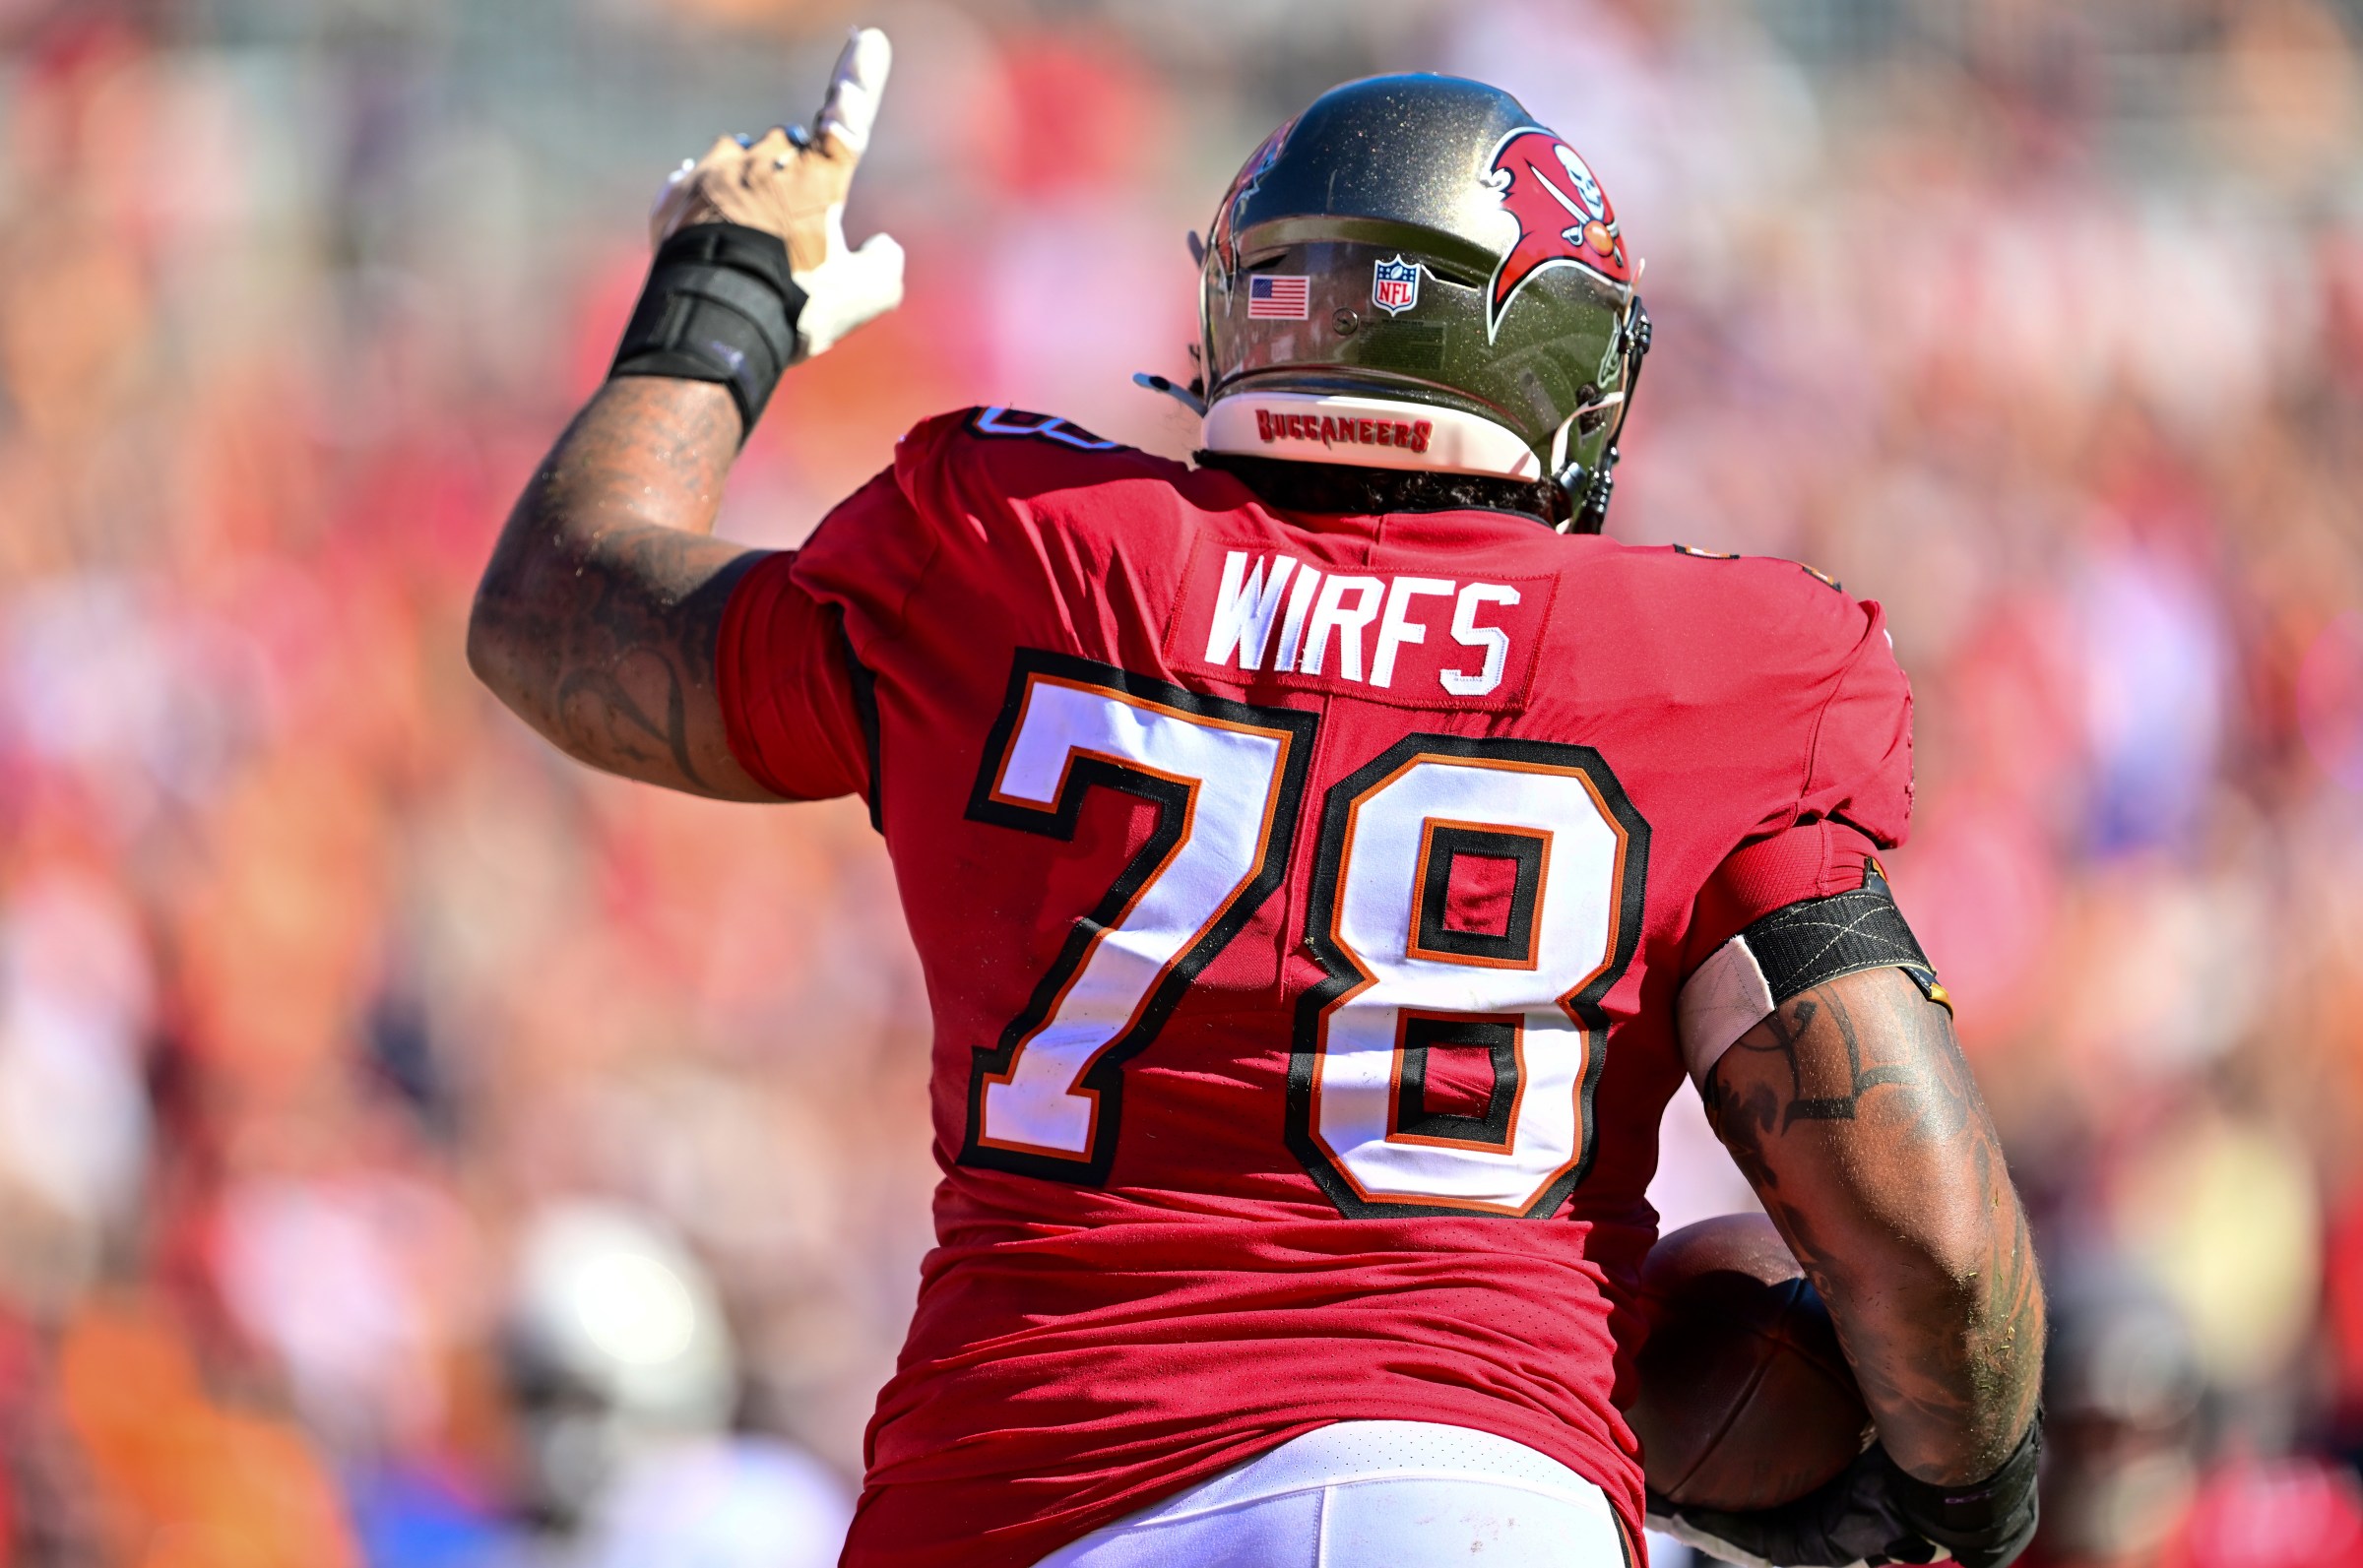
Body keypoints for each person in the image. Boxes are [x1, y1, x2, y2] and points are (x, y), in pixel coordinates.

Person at [468, 30, 2046, 1568]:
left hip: (1035, 1483)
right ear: (1563, 354)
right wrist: (1967, 1492)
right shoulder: (1724, 661)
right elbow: (1931, 1238)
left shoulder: (1020, 551)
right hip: (1481, 1491)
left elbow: (559, 610)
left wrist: (725, 285)